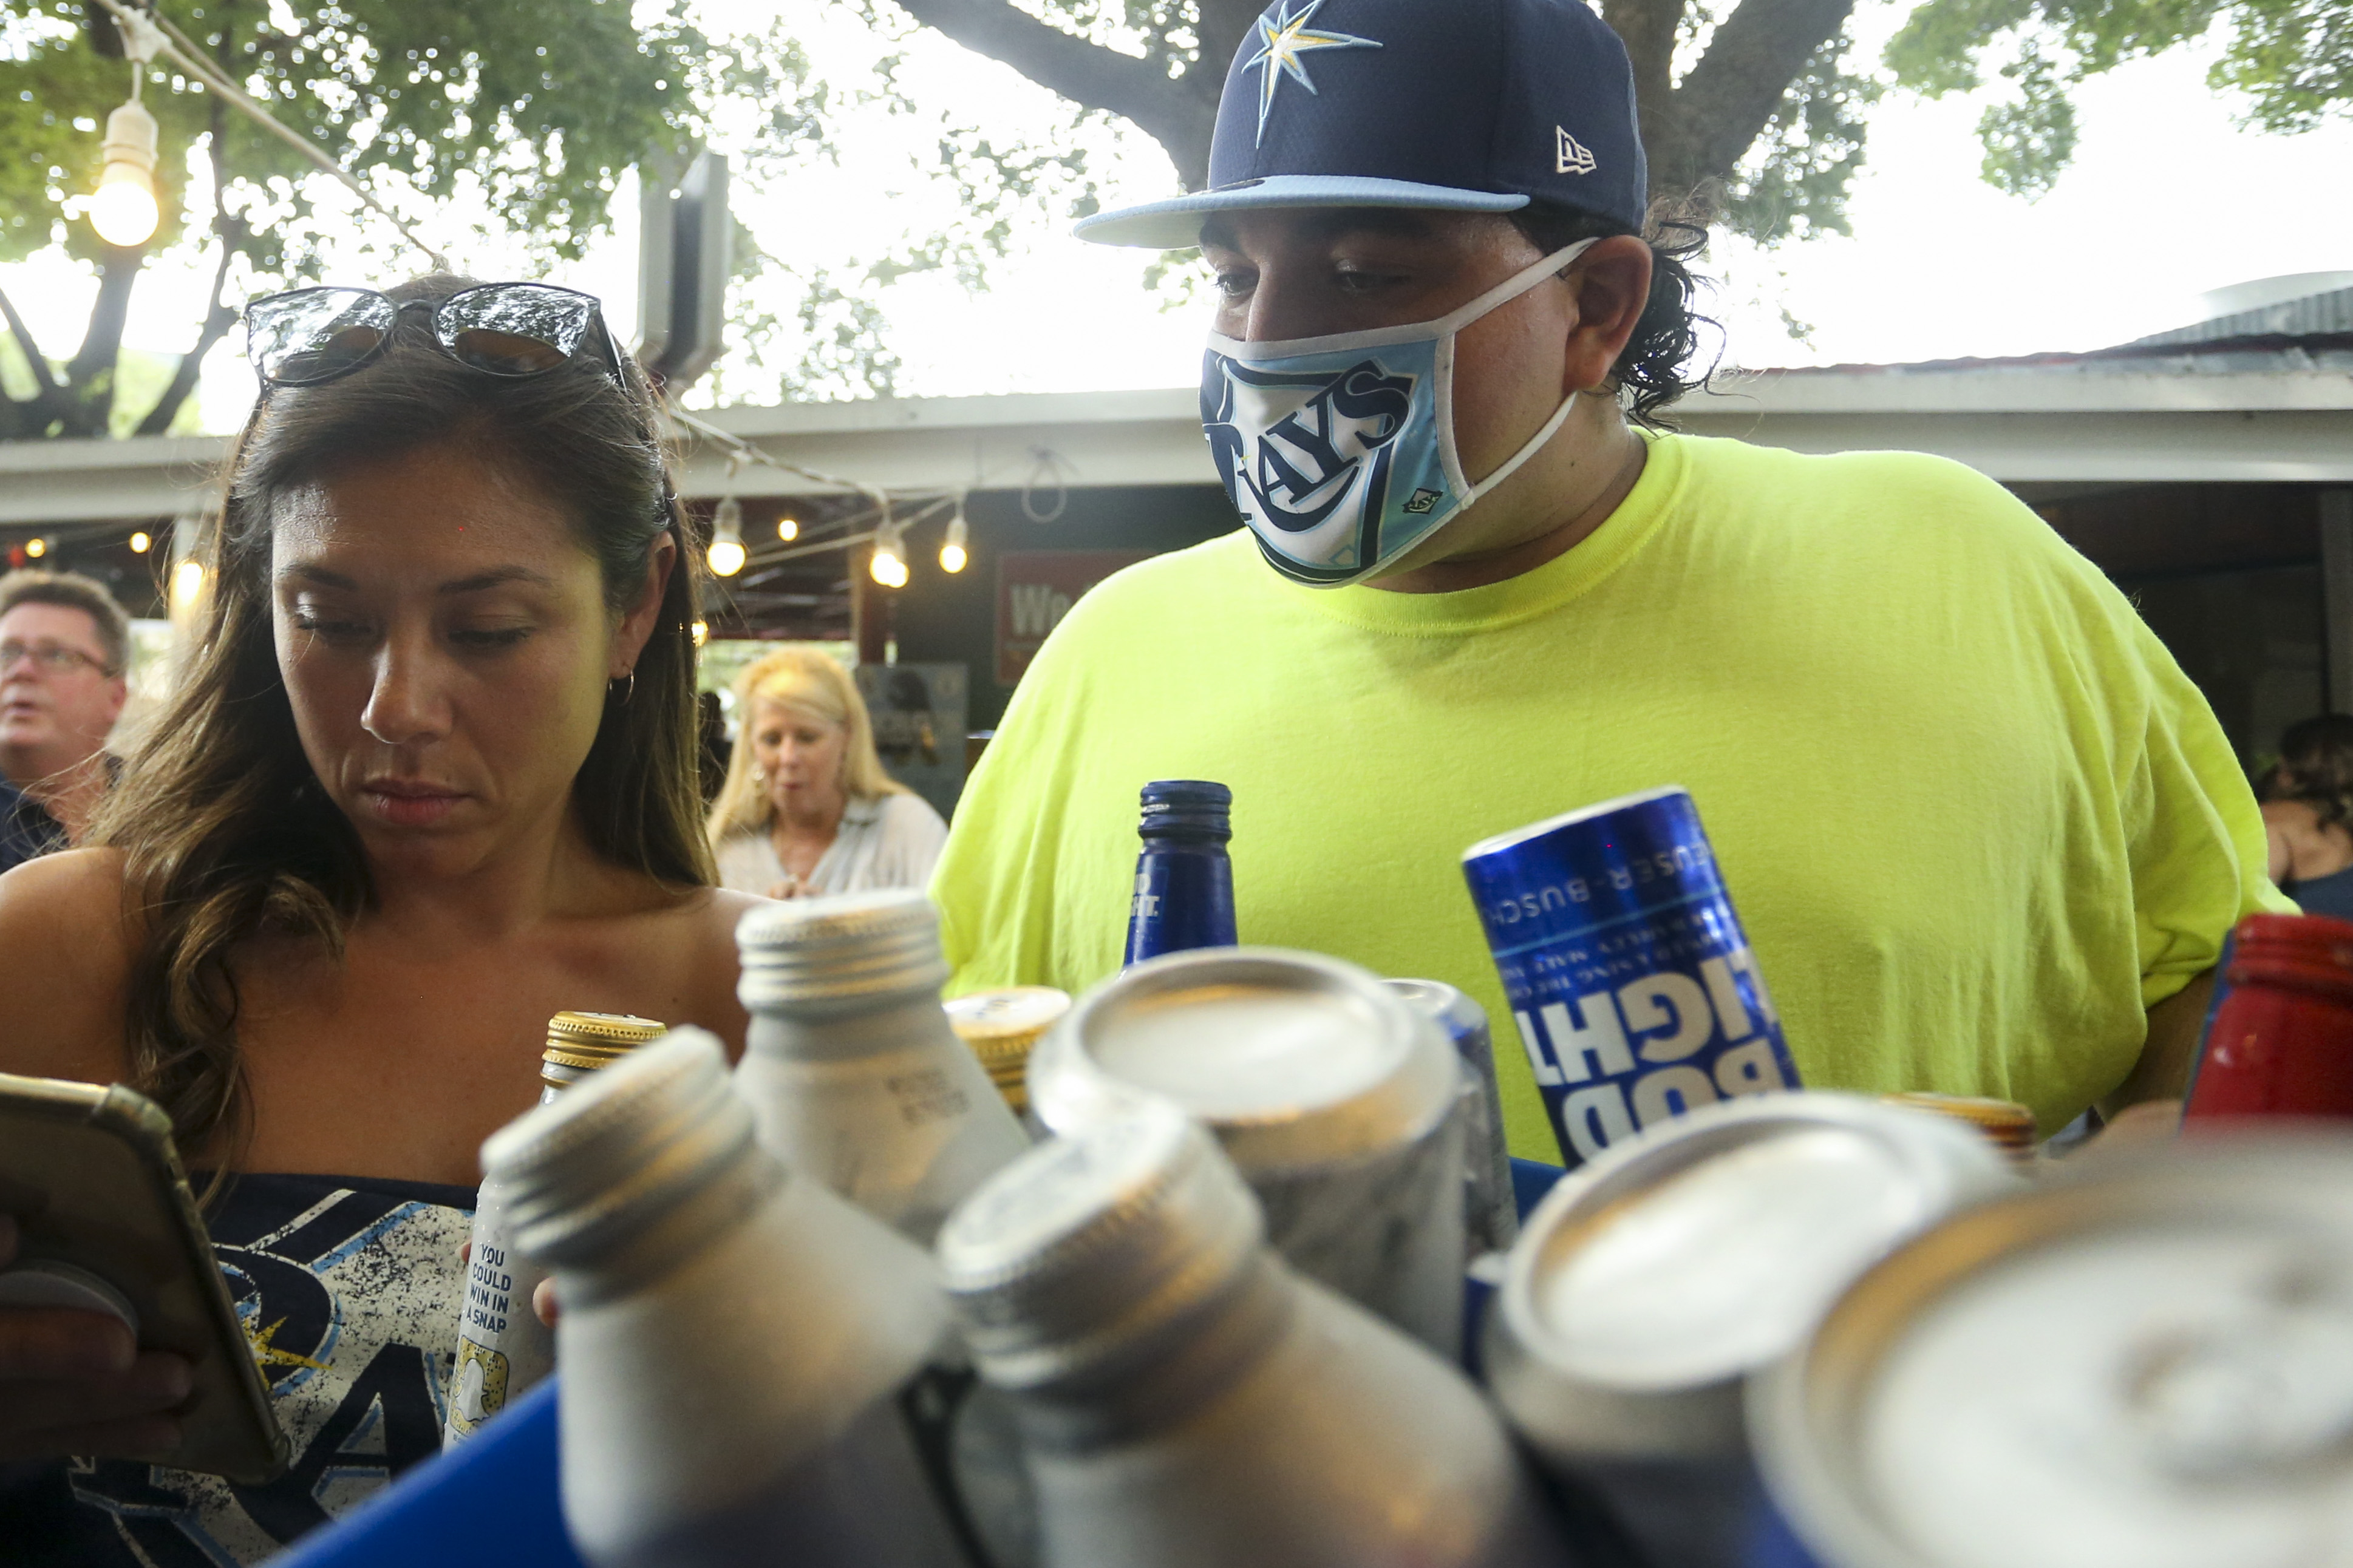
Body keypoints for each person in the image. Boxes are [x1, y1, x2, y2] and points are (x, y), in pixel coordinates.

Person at [931, 0, 2285, 1159]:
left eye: (1360, 272)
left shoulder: (1957, 566)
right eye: (1230, 278)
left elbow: (2230, 998)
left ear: (1598, 307)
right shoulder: (1113, 654)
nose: (1265, 341)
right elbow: (955, 1085)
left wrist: (2112, 1202)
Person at [0, 275, 760, 1561]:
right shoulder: (70, 945)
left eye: (489, 627)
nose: (395, 705)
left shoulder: (761, 1005)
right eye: (331, 620)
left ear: (633, 604)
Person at [706, 647, 947, 898]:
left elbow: (947, 931)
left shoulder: (907, 829)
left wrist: (837, 926)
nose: (788, 758)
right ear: (751, 746)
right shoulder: (727, 848)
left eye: (807, 738)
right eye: (772, 739)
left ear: (847, 736)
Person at [0, 569, 131, 873]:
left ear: (116, 697)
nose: (22, 670)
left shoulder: (166, 817)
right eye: (7, 653)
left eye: (57, 656)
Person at [2258, 713, 2353, 921]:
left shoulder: (2274, 820)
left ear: (2285, 770)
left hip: (2291, 949)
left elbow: (2248, 907)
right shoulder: (2342, 827)